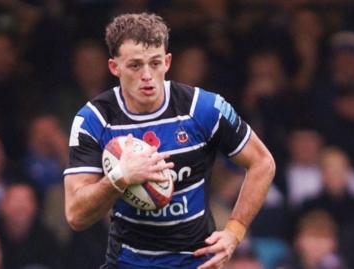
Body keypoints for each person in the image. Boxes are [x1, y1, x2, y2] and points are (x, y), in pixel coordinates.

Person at [63, 13, 275, 269]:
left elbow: (262, 162)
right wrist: (121, 177)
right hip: (128, 262)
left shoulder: (203, 108)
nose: (147, 75)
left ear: (167, 61)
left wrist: (234, 232)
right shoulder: (95, 119)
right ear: (114, 67)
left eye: (155, 63)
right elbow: (76, 215)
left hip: (196, 263)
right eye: (135, 65)